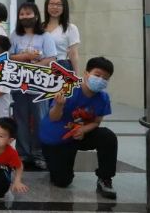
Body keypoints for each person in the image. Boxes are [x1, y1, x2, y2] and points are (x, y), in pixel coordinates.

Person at [40, 56, 117, 199]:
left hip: (79, 135)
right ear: (86, 73)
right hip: (56, 138)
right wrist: (59, 105)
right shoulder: (68, 88)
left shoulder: (103, 98)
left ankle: (105, 179)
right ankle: (53, 162)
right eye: (97, 75)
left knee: (107, 136)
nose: (100, 80)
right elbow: (53, 118)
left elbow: (96, 122)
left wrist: (82, 130)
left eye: (105, 78)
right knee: (62, 181)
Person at [10, 2, 56, 169]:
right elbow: (8, 56)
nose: (25, 17)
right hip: (19, 85)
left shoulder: (45, 36)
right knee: (20, 119)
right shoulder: (15, 35)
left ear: (36, 16)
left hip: (39, 86)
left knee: (40, 119)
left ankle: (39, 153)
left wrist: (34, 66)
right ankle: (23, 153)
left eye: (28, 13)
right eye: (22, 14)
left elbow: (51, 58)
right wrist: (24, 57)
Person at [43, 0, 80, 73]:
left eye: (59, 4)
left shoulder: (71, 28)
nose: (55, 7)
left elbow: (73, 54)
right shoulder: (39, 27)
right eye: (52, 4)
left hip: (61, 67)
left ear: (64, 7)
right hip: (41, 68)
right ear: (47, 6)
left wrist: (76, 76)